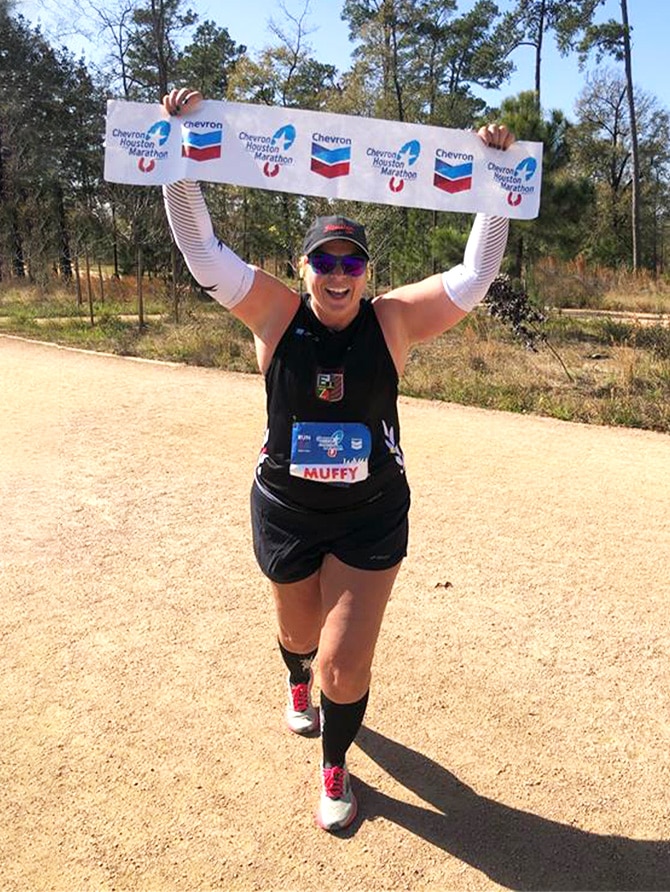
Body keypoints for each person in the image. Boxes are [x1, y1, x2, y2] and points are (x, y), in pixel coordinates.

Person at [162, 87, 515, 832]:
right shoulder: (276, 314)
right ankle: (294, 677)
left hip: (369, 518)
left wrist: (496, 182)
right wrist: (175, 152)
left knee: (343, 665)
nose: (338, 271)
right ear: (305, 265)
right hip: (288, 512)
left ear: (365, 270)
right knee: (299, 639)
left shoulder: (392, 322)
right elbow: (202, 251)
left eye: (352, 258)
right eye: (325, 257)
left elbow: (473, 277)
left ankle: (335, 760)